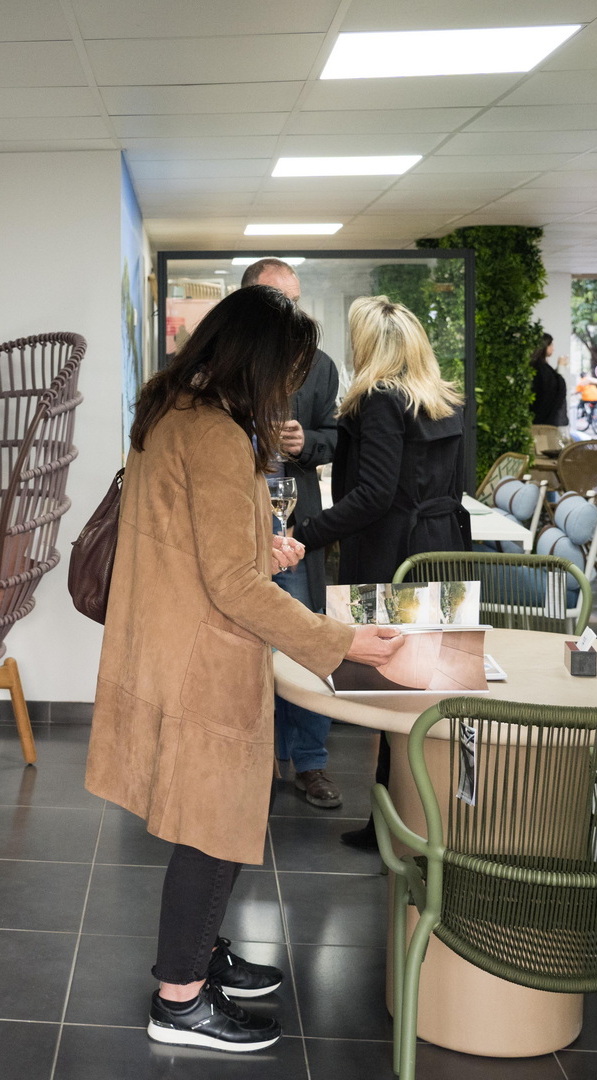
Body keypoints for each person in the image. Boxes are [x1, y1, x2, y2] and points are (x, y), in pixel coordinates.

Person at [86, 285, 405, 1053]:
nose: (288, 389)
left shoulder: (172, 410)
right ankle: (180, 998)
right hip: (206, 655)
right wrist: (342, 642)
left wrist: (259, 546)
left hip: (172, 641)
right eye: (288, 371)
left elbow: (193, 540)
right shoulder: (219, 434)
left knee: (211, 818)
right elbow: (231, 585)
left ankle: (198, 954)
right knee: (212, 824)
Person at [290, 296, 469, 849]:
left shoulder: (379, 401)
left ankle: (389, 828)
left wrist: (305, 535)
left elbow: (372, 496)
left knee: (391, 699)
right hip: (440, 549)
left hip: (391, 557)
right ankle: (428, 823)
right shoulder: (445, 401)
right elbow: (456, 485)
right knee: (433, 696)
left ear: (368, 344)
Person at [241, 257, 343, 810]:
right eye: (280, 302)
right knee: (244, 645)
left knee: (303, 638)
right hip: (235, 522)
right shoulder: (227, 364)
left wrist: (311, 443)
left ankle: (309, 762)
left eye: (295, 302)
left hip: (294, 524)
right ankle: (254, 758)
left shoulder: (318, 366)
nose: (291, 313)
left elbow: (336, 435)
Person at [530, 333, 569, 454]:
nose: (553, 348)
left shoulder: (539, 369)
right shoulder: (542, 371)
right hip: (545, 425)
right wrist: (561, 368)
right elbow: (555, 391)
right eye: (551, 344)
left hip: (541, 422)